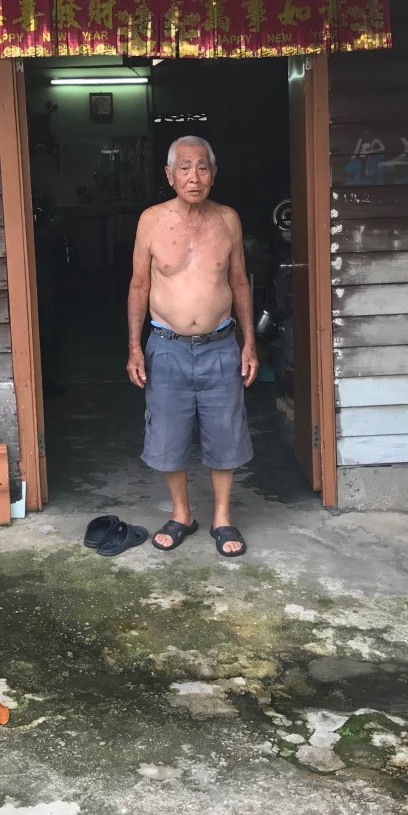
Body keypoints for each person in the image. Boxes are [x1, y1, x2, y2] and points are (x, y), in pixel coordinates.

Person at [127, 136, 257, 557]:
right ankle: (181, 513)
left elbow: (239, 283)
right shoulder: (151, 220)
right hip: (167, 346)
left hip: (220, 344)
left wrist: (249, 344)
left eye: (202, 167)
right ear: (170, 175)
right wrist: (134, 348)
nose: (194, 177)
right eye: (184, 168)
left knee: (225, 432)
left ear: (213, 174)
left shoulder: (228, 219)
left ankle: (222, 517)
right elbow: (139, 286)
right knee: (168, 434)